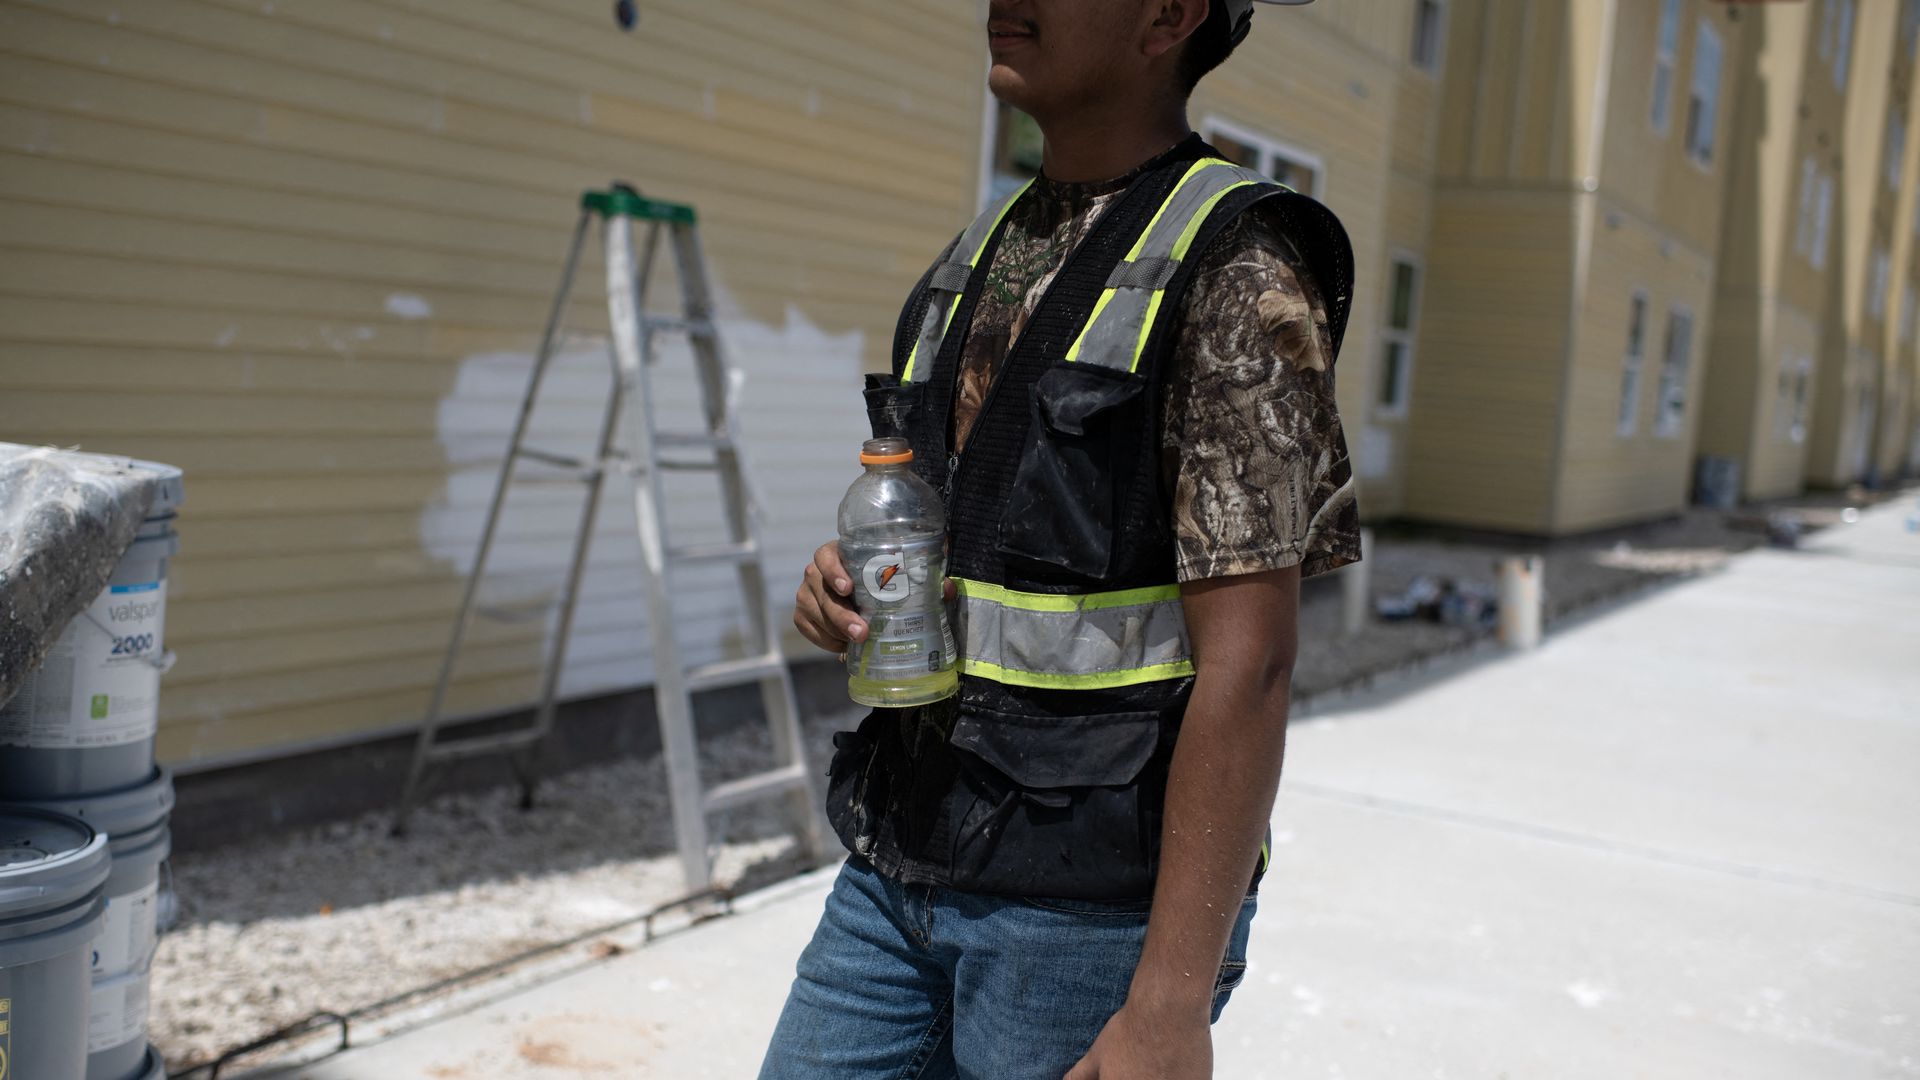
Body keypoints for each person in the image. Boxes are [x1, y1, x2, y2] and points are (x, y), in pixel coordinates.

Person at [769, 0, 1359, 1076]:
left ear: (1167, 18)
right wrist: (844, 586)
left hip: (1087, 919)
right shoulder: (982, 251)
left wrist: (1171, 1004)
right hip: (901, 869)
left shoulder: (1238, 271)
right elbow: (965, 531)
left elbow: (1253, 665)